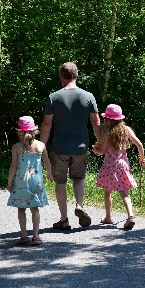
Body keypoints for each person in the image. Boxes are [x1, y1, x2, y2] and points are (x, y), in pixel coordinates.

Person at [41, 62, 102, 230]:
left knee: (60, 182)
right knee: (79, 178)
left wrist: (41, 147)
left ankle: (64, 220)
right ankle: (79, 205)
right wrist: (101, 144)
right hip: (80, 148)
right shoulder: (88, 96)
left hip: (60, 148)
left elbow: (47, 125)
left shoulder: (54, 97)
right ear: (76, 76)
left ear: (62, 77)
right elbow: (96, 123)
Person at [92, 104, 145, 229]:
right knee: (123, 191)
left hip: (109, 166)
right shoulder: (126, 130)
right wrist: (142, 158)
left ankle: (108, 217)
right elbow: (139, 145)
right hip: (122, 165)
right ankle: (130, 215)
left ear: (107, 119)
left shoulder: (107, 132)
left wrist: (96, 150)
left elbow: (103, 151)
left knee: (107, 191)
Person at [7, 116, 53, 245]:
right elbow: (47, 163)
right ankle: (36, 236)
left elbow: (13, 166)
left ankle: (24, 236)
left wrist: (9, 182)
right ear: (34, 131)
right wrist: (49, 174)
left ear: (19, 132)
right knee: (35, 208)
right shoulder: (41, 146)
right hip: (36, 181)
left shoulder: (16, 147)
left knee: (21, 208)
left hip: (22, 182)